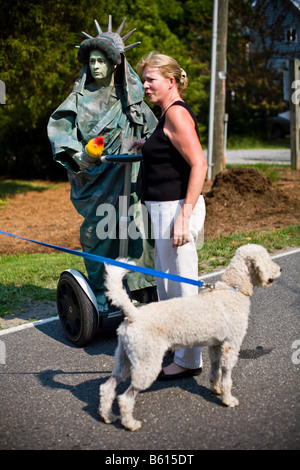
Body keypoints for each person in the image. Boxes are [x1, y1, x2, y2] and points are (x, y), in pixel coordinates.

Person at [47, 18, 158, 312]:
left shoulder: (132, 100)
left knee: (136, 230)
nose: (96, 66)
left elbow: (155, 133)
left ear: (115, 64)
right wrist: (80, 156)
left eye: (102, 60)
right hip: (94, 180)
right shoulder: (78, 98)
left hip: (130, 177)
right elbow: (61, 132)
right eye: (92, 60)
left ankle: (142, 288)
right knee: (98, 234)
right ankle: (99, 291)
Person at [130, 52, 208, 380]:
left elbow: (199, 164)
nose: (145, 85)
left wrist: (184, 216)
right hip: (166, 209)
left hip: (177, 209)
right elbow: (169, 147)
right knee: (167, 284)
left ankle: (190, 361)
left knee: (182, 288)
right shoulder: (167, 116)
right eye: (143, 79)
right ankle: (181, 350)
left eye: (151, 80)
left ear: (171, 82)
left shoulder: (175, 115)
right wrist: (147, 144)